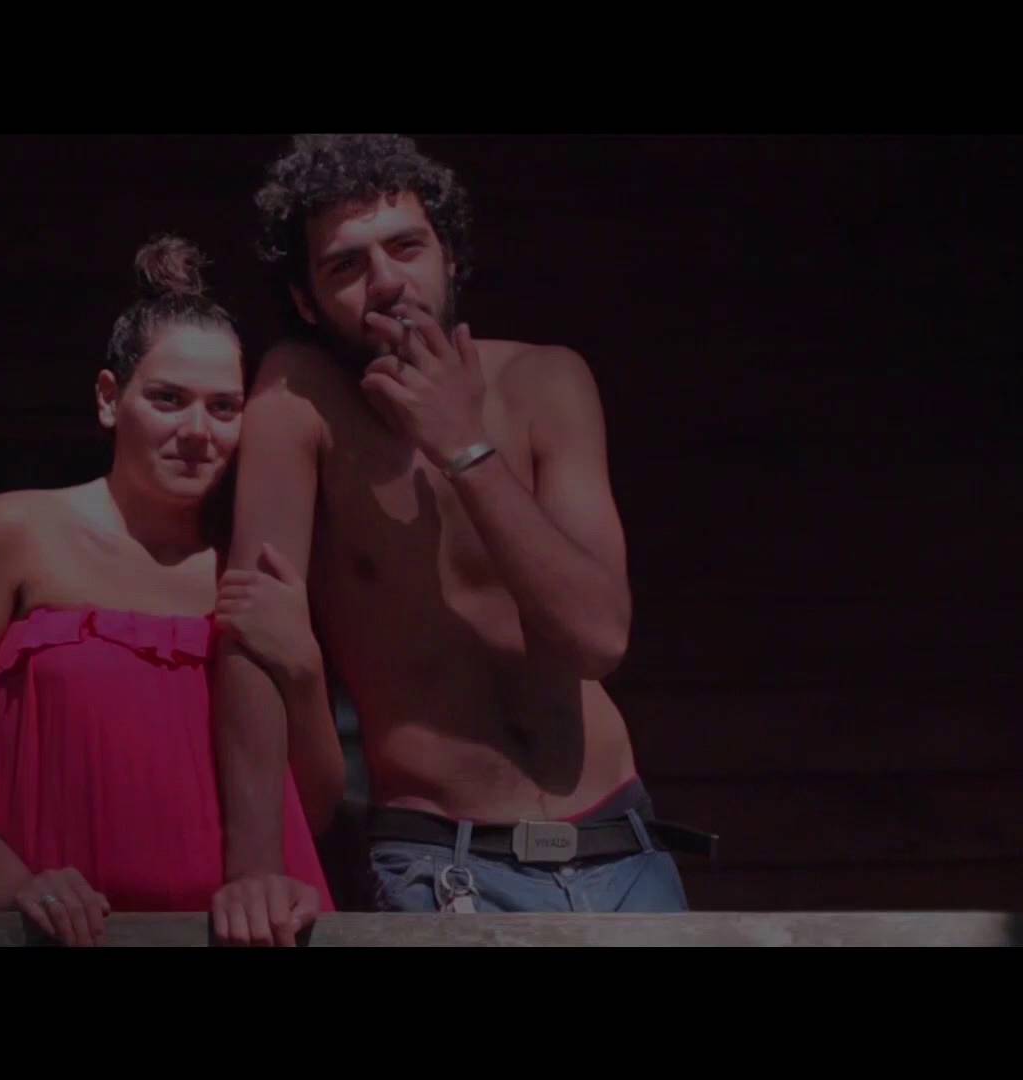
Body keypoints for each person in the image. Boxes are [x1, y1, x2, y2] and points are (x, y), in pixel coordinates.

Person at [211, 134, 713, 933]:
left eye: (406, 247)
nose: (386, 281)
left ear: (448, 255)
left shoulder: (547, 382)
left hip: (620, 845)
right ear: (306, 301)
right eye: (346, 266)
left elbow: (597, 639)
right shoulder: (299, 400)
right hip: (443, 858)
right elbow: (252, 632)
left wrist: (464, 446)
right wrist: (253, 868)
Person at [0, 235, 340, 947]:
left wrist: (304, 668)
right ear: (109, 398)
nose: (197, 431)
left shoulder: (250, 565)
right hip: (66, 935)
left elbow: (310, 807)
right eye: (168, 399)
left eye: (224, 408)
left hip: (247, 937)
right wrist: (3, 877)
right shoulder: (15, 531)